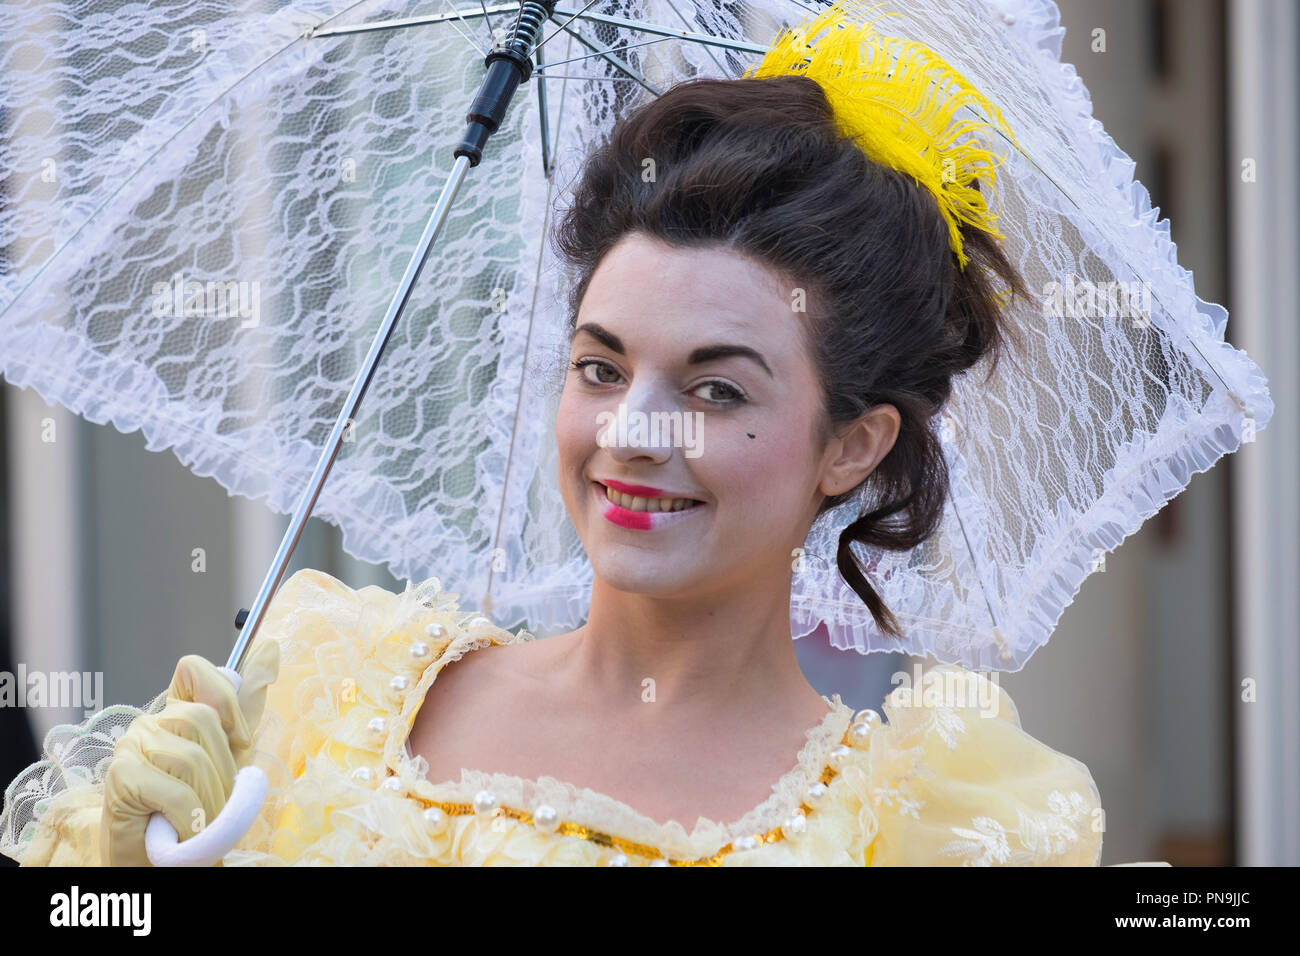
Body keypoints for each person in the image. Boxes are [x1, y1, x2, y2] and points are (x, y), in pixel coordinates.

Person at [0, 68, 1104, 867]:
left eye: (717, 389)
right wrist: (119, 884)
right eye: (600, 366)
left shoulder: (917, 828)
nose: (632, 429)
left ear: (853, 443)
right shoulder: (328, 686)